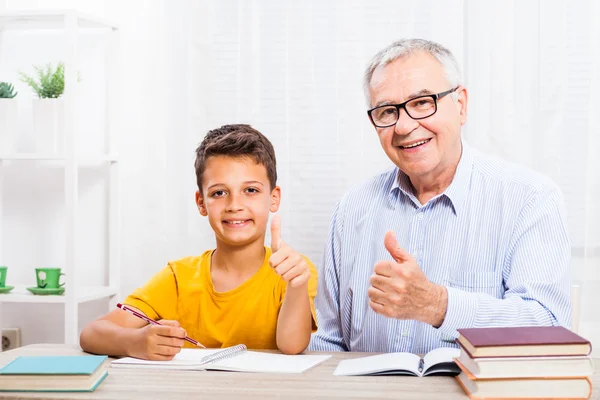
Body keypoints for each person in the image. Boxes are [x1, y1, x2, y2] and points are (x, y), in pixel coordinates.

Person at [309, 39, 571, 353]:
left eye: (422, 103)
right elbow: (329, 342)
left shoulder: (530, 198)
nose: (404, 126)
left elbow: (548, 327)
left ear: (461, 105)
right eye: (387, 111)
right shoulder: (351, 208)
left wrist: (438, 305)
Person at [80, 124, 318, 359]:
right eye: (219, 193)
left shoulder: (294, 271)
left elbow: (292, 346)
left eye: (251, 190)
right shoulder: (178, 278)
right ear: (201, 202)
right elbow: (91, 334)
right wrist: (135, 342)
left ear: (273, 198)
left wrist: (296, 287)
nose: (235, 205)